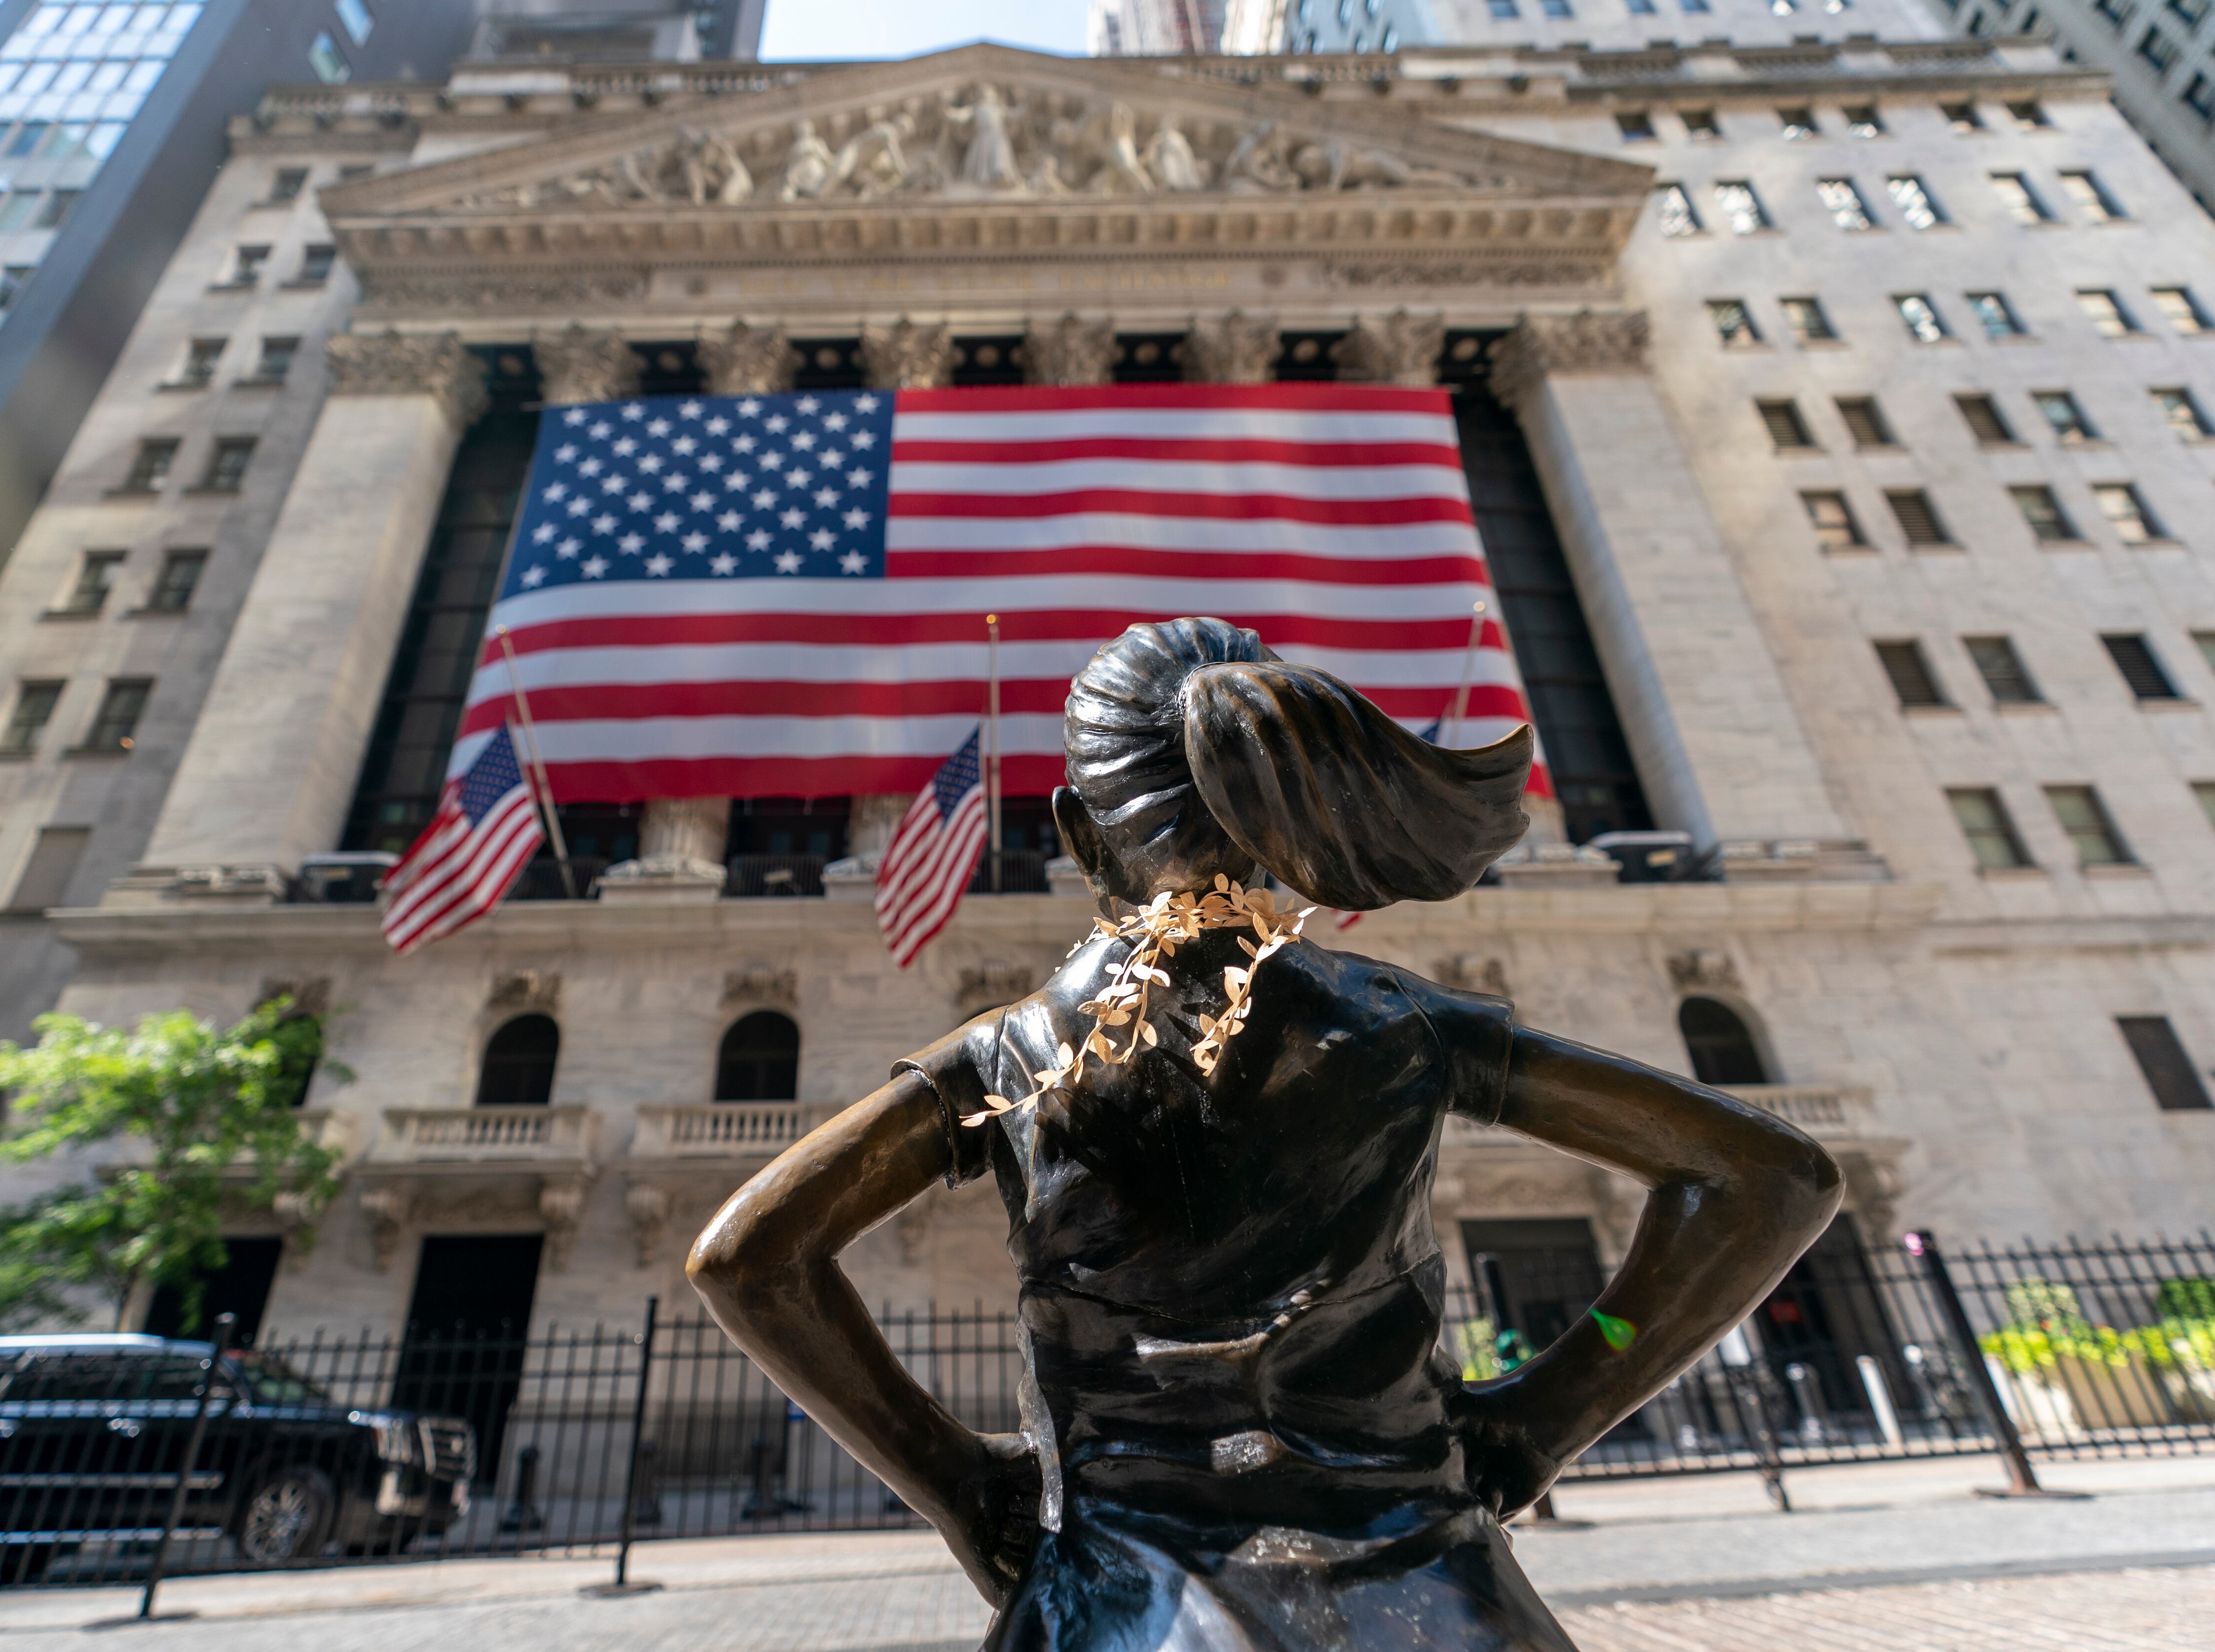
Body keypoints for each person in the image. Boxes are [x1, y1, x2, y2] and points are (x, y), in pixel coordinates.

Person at [689, 619, 1843, 1651]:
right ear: (1291, 828)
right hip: (1430, 1592)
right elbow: (1770, 1176)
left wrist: (955, 1481)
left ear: (1080, 838)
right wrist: (1552, 1404)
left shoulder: (1011, 1058)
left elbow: (747, 1254)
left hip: (1124, 1598)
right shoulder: (1404, 1026)